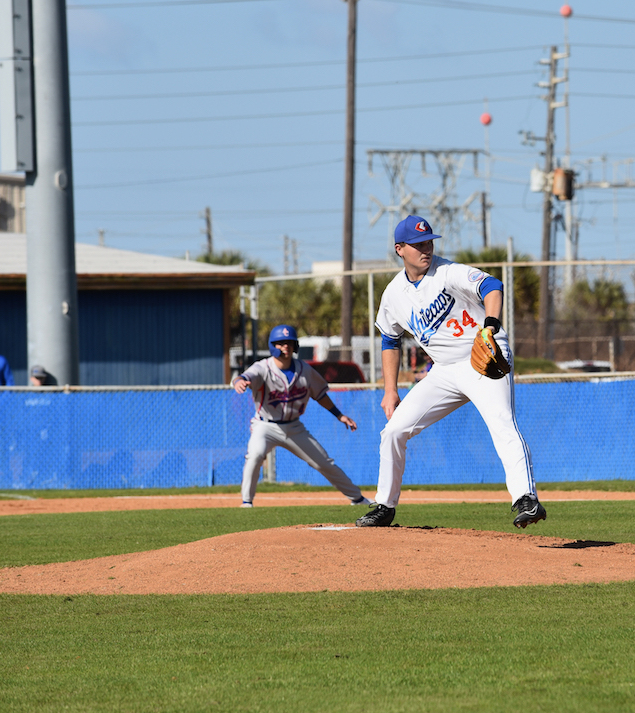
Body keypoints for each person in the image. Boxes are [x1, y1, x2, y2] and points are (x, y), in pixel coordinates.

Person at [357, 215, 545, 528]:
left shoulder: (447, 272)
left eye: (429, 241)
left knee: (502, 422)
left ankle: (526, 498)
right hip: (444, 370)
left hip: (482, 358)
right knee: (393, 430)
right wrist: (390, 390)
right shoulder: (392, 295)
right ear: (400, 249)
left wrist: (491, 326)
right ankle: (384, 506)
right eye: (418, 245)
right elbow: (390, 340)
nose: (426, 248)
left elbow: (492, 286)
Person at [233, 324, 373, 509]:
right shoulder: (263, 367)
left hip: (294, 427)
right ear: (273, 345)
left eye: (289, 343)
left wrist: (339, 415)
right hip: (265, 426)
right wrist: (239, 382)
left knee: (324, 463)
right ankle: (246, 502)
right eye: (281, 343)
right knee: (255, 455)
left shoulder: (304, 369)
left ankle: (358, 499)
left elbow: (320, 395)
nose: (286, 346)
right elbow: (243, 376)